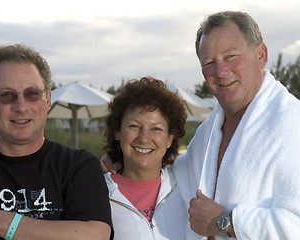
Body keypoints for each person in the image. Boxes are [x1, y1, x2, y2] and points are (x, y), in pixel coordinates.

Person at [102, 11, 300, 239]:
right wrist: (121, 161)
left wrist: (225, 221)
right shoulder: (209, 132)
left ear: (261, 54)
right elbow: (175, 170)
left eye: (231, 56)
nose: (221, 71)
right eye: (209, 62)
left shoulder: (292, 124)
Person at [0, 44, 112, 240]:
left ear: (47, 99)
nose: (21, 107)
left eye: (32, 94)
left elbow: (96, 234)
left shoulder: (79, 165)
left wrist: (5, 224)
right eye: (6, 95)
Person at [103, 76, 188, 239]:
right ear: (117, 131)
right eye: (134, 126)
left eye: (156, 129)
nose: (144, 138)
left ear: (169, 138)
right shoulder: (96, 193)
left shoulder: (186, 184)